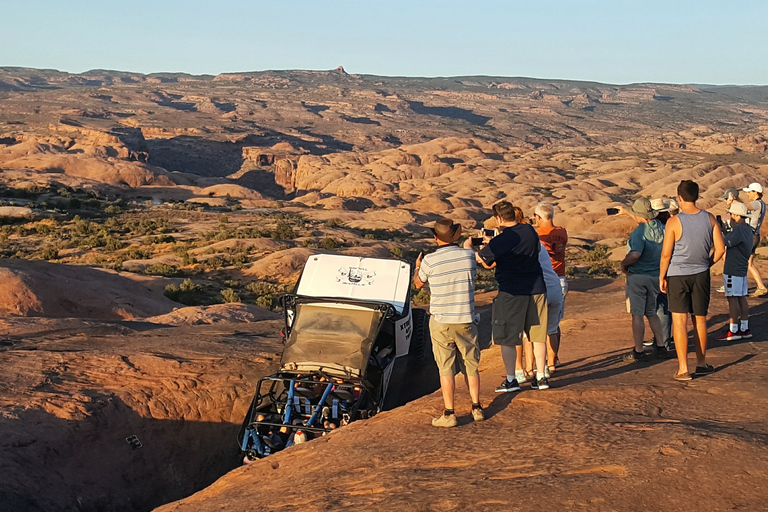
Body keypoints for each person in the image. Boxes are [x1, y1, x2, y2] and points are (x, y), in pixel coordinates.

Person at [465, 201, 549, 391]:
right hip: (537, 289)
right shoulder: (529, 230)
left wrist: (469, 247)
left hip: (512, 291)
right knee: (537, 335)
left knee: (508, 337)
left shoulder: (502, 240)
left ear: (499, 218)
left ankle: (511, 380)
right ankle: (542, 377)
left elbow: (481, 259)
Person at [414, 218, 483, 427]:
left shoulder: (430, 261)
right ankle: (476, 408)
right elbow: (471, 257)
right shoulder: (469, 256)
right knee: (471, 364)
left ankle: (450, 413)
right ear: (456, 236)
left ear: (436, 238)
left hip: (441, 320)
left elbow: (418, 284)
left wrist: (417, 267)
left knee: (445, 367)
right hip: (465, 318)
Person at [659, 180, 725, 381]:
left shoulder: (673, 222)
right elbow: (721, 250)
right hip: (701, 275)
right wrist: (706, 264)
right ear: (697, 196)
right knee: (700, 319)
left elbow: (666, 254)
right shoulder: (710, 218)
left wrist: (662, 276)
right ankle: (702, 364)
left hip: (677, 275)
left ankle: (683, 368)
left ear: (679, 198)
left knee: (679, 321)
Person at [620, 198, 668, 362]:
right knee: (652, 312)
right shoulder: (662, 228)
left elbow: (635, 254)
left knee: (637, 314)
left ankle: (639, 350)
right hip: (656, 276)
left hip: (638, 276)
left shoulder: (639, 231)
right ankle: (661, 346)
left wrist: (623, 264)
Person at [533, 201, 568, 372]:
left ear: (538, 217)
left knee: (537, 325)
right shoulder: (562, 231)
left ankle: (537, 365)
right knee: (554, 325)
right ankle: (553, 361)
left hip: (543, 280)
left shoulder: (538, 235)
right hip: (560, 279)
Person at [716, 201, 753, 341]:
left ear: (736, 215)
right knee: (742, 298)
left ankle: (733, 330)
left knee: (732, 299)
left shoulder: (738, 229)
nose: (730, 216)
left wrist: (719, 230)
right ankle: (744, 328)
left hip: (733, 269)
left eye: (731, 213)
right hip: (742, 269)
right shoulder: (747, 229)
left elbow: (725, 243)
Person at [742, 183, 767, 297]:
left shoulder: (756, 203)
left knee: (742, 262)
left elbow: (742, 209)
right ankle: (761, 286)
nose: (748, 194)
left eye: (749, 191)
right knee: (749, 263)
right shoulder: (762, 204)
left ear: (756, 192)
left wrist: (734, 199)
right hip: (755, 235)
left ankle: (741, 287)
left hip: (750, 235)